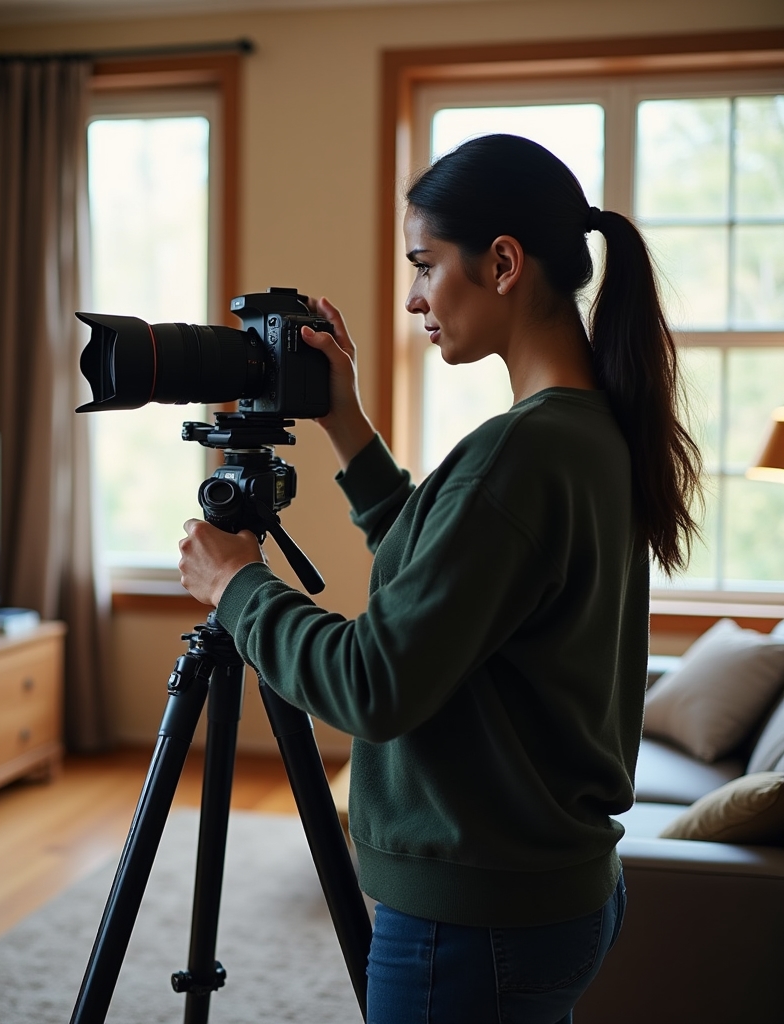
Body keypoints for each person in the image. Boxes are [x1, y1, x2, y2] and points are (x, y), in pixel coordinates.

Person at [177, 134, 701, 1024]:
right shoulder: (584, 433)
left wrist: (239, 588)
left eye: (424, 265)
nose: (414, 296)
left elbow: (372, 684)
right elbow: (453, 580)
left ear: (502, 263)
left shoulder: (520, 454)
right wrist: (345, 423)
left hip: (475, 919)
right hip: (551, 891)